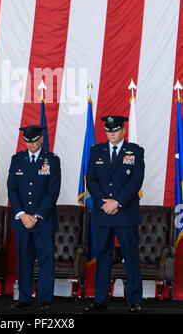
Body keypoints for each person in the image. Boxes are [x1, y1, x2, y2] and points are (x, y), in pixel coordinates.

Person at [85, 115, 145, 313]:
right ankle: (100, 299)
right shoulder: (96, 151)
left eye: (116, 130)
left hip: (125, 212)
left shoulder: (135, 151)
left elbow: (135, 181)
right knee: (102, 256)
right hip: (103, 211)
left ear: (123, 130)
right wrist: (103, 202)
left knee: (130, 256)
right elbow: (91, 179)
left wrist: (117, 202)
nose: (112, 134)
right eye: (108, 130)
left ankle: (134, 299)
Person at [7, 125, 61, 311]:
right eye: (27, 140)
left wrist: (36, 216)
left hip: (43, 220)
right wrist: (22, 215)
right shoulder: (17, 160)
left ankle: (45, 299)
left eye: (34, 140)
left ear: (41, 139)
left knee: (46, 260)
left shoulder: (52, 160)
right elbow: (12, 190)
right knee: (23, 259)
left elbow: (52, 192)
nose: (30, 144)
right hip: (22, 220)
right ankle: (24, 297)